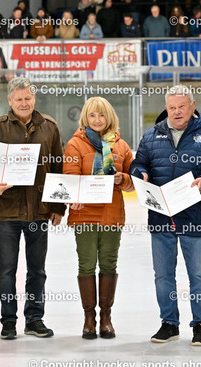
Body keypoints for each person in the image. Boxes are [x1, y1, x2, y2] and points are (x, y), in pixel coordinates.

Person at [130, 85, 201, 346]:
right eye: (172, 107)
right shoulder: (152, 136)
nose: (177, 112)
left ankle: (200, 324)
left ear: (192, 105)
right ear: (167, 108)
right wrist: (139, 172)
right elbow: (139, 162)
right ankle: (169, 323)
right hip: (161, 217)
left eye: (182, 107)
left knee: (198, 274)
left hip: (194, 216)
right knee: (163, 275)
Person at [0, 77, 65, 340]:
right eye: (19, 99)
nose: (24, 103)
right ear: (10, 101)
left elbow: (58, 168)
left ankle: (34, 319)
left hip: (39, 212)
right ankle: (8, 321)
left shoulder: (50, 127)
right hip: (7, 214)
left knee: (37, 270)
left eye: (28, 98)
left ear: (34, 99)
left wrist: (58, 206)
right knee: (6, 269)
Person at [63, 97, 134, 339]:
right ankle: (89, 317)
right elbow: (70, 177)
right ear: (85, 118)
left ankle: (106, 316)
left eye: (101, 115)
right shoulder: (75, 144)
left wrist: (122, 178)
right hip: (84, 215)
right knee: (86, 265)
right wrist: (73, 195)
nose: (97, 120)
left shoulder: (121, 146)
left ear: (109, 118)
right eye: (92, 115)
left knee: (109, 264)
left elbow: (132, 182)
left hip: (112, 214)